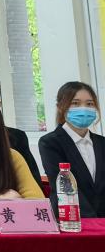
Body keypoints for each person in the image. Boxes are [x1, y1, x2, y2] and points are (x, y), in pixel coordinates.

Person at [39, 82, 105, 217]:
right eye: (75, 103)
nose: (84, 108)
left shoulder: (102, 143)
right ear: (60, 107)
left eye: (89, 104)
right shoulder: (50, 143)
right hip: (70, 218)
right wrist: (93, 221)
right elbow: (65, 187)